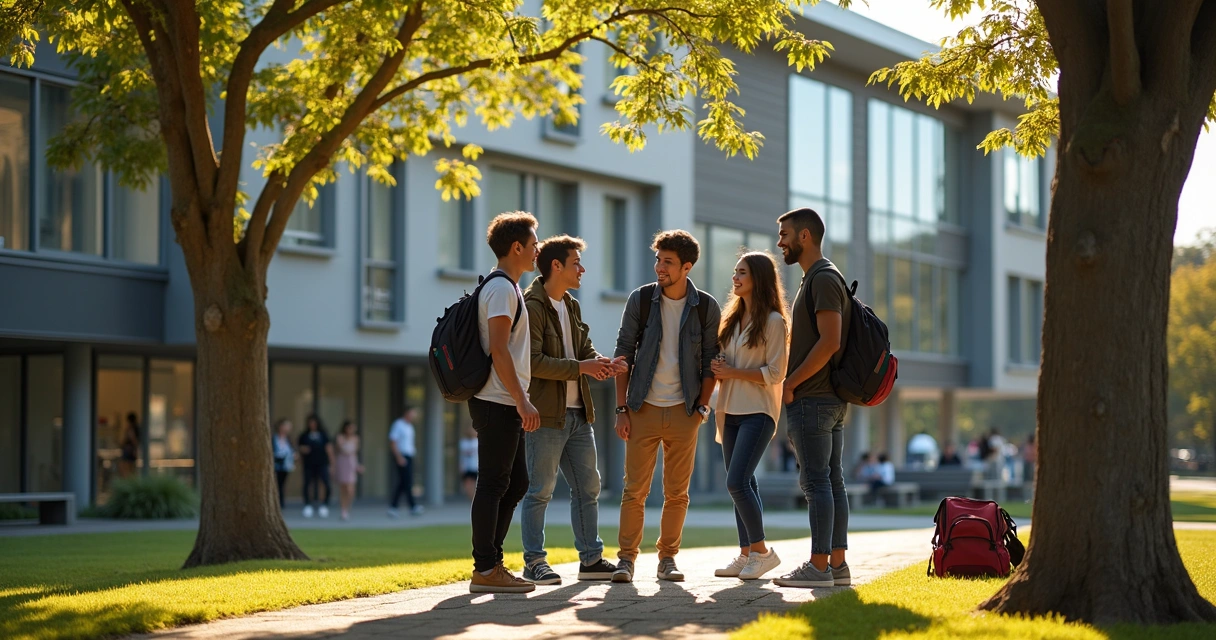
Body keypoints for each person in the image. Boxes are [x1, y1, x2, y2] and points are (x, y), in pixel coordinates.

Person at [611, 229, 722, 583]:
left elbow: (710, 362)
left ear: (686, 267)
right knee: (634, 490)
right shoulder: (641, 300)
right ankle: (626, 560)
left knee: (677, 493)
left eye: (668, 262)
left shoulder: (705, 307)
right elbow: (623, 352)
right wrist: (621, 409)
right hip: (641, 408)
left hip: (684, 411)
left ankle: (668, 560)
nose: (659, 267)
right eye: (658, 259)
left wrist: (702, 409)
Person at [518, 235, 624, 585]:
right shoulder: (532, 305)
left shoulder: (571, 305)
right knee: (540, 491)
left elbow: (584, 348)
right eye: (576, 262)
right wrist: (582, 367)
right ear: (556, 266)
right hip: (546, 416)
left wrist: (601, 362)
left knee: (588, 488)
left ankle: (591, 559)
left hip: (579, 414)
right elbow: (533, 362)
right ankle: (534, 562)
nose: (582, 269)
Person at [773, 207, 853, 589]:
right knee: (831, 482)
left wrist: (791, 383)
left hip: (814, 399)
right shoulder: (818, 278)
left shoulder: (822, 278)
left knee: (817, 483)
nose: (780, 242)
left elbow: (831, 341)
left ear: (805, 236)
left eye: (784, 234)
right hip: (828, 400)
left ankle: (818, 567)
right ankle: (837, 566)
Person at [467, 211, 541, 594]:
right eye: (533, 244)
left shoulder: (508, 288)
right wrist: (522, 401)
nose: (537, 250)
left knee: (515, 482)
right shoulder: (501, 289)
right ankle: (485, 567)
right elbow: (498, 349)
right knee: (495, 483)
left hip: (503, 400)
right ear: (516, 247)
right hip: (497, 400)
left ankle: (491, 562)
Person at [710, 251, 789, 581]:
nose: (735, 277)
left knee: (736, 481)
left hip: (758, 410)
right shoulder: (731, 318)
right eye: (734, 271)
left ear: (758, 277)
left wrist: (732, 371)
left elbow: (776, 372)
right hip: (728, 409)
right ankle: (746, 555)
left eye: (741, 272)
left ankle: (762, 552)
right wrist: (718, 368)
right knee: (744, 483)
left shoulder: (774, 321)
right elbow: (724, 363)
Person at [388, 406, 423, 517]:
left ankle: (394, 506)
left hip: (409, 456)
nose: (413, 416)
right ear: (407, 413)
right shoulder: (398, 424)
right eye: (412, 413)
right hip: (402, 456)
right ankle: (412, 506)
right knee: (406, 482)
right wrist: (398, 457)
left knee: (404, 482)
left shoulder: (410, 426)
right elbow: (393, 442)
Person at [298, 414, 334, 518]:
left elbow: (329, 449)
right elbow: (299, 449)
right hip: (308, 464)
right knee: (307, 484)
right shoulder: (304, 435)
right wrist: (302, 450)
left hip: (322, 463)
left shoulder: (323, 435)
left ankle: (324, 504)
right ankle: (307, 504)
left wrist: (332, 465)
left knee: (325, 483)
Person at [335, 419, 363, 521]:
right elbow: (343, 450)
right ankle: (343, 510)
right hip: (342, 463)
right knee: (343, 488)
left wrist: (357, 465)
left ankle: (347, 507)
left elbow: (354, 453)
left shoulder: (356, 438)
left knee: (350, 489)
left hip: (351, 463)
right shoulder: (340, 437)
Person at [272, 418, 297, 509]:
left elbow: (292, 450)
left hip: (286, 465)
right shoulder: (274, 438)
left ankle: (281, 503)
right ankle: (276, 502)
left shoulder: (289, 439)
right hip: (276, 465)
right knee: (276, 484)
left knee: (282, 484)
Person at [459, 428, 479, 500]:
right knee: (467, 483)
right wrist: (461, 466)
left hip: (475, 466)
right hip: (466, 466)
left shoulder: (477, 442)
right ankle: (471, 497)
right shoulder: (463, 443)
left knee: (474, 483)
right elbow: (462, 456)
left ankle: (474, 498)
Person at [119, 412, 141, 478]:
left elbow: (133, 439)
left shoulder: (131, 428)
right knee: (131, 468)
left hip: (129, 450)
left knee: (126, 467)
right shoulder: (137, 428)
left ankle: (128, 481)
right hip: (131, 450)